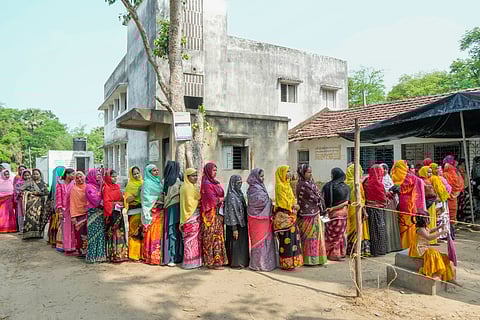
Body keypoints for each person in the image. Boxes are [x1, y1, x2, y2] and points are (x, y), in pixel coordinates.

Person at [408, 211, 455, 283]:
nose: (429, 220)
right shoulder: (420, 229)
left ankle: (449, 278)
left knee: (444, 256)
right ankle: (435, 274)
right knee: (433, 253)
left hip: (425, 248)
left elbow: (430, 231)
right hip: (419, 250)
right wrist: (441, 232)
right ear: (423, 220)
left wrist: (439, 227)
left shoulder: (425, 228)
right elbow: (429, 237)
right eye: (428, 219)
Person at [296, 164, 328, 265]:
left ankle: (317, 258)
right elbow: (315, 197)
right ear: (302, 173)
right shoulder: (302, 185)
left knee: (316, 237)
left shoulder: (310, 183)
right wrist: (319, 198)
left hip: (315, 213)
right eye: (308, 172)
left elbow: (318, 195)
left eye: (311, 172)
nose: (310, 174)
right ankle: (309, 260)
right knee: (309, 238)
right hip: (307, 215)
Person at [247, 168, 278, 272]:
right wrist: (269, 202)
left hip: (264, 219)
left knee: (267, 241)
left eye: (263, 176)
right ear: (255, 177)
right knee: (259, 241)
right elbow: (258, 202)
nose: (263, 178)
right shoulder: (253, 189)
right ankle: (258, 264)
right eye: (261, 176)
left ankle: (268, 263)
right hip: (257, 220)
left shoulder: (260, 187)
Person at [273, 165, 303, 270]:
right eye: (287, 171)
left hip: (291, 215)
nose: (289, 173)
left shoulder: (288, 185)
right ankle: (286, 263)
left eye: (289, 171)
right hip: (284, 217)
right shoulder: (280, 186)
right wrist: (293, 207)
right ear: (281, 173)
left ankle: (294, 262)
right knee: (286, 240)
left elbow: (292, 198)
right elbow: (282, 203)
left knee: (294, 239)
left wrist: (295, 206)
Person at [200, 162, 227, 269]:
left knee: (218, 237)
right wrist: (222, 199)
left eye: (216, 170)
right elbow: (212, 200)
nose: (215, 172)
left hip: (218, 214)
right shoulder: (206, 184)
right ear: (208, 171)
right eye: (213, 170)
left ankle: (218, 261)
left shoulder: (216, 183)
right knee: (210, 237)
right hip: (209, 215)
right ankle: (211, 262)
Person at [322, 168, 350, 261]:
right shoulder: (345, 187)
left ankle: (326, 252)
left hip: (328, 214)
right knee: (339, 235)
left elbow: (322, 200)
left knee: (328, 234)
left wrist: (327, 210)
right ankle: (335, 254)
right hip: (341, 215)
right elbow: (346, 202)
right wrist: (335, 208)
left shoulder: (326, 186)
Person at [344, 163, 370, 257]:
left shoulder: (346, 183)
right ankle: (359, 250)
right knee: (359, 229)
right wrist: (364, 212)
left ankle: (350, 250)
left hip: (349, 210)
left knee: (351, 229)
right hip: (358, 210)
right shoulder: (357, 184)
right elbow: (361, 200)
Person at [103, 169, 129, 263]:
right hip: (111, 215)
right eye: (112, 176)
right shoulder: (106, 188)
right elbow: (106, 203)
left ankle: (121, 254)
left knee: (120, 233)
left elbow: (122, 199)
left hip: (119, 213)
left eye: (115, 176)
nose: (114, 178)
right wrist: (115, 204)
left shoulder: (117, 187)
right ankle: (113, 254)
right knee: (113, 234)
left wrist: (122, 203)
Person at [141, 164, 164, 265]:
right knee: (151, 234)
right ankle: (150, 257)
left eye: (157, 170)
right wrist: (157, 199)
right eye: (154, 171)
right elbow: (146, 198)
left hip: (160, 211)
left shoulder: (158, 182)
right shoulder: (146, 183)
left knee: (158, 234)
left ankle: (158, 256)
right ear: (149, 173)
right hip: (152, 211)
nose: (156, 172)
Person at [224, 174, 249, 268]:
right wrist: (234, 228)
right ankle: (236, 263)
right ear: (233, 184)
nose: (240, 185)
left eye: (241, 183)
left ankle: (243, 261)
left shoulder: (240, 194)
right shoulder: (231, 196)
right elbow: (231, 213)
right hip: (234, 225)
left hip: (242, 223)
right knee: (235, 243)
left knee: (242, 244)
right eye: (238, 183)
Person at [180, 168, 202, 269]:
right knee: (191, 240)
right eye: (193, 176)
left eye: (196, 175)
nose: (195, 177)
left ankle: (193, 261)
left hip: (189, 216)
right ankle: (190, 262)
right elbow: (190, 203)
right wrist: (200, 202)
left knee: (191, 240)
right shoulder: (188, 187)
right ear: (187, 177)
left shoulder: (189, 186)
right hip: (191, 216)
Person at [392, 160, 417, 249]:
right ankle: (410, 243)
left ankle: (402, 243)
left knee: (401, 223)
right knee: (409, 222)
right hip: (410, 203)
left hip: (399, 203)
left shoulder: (393, 176)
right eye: (405, 165)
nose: (407, 167)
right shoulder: (411, 178)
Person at [162, 161, 183, 266]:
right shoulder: (178, 181)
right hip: (176, 208)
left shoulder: (164, 181)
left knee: (170, 232)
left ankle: (170, 257)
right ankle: (177, 256)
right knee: (176, 232)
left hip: (167, 208)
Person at [363, 165, 387, 256]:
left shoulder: (365, 181)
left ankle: (372, 250)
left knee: (371, 230)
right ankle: (379, 250)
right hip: (377, 210)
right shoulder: (378, 184)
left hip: (368, 209)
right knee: (379, 230)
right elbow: (383, 199)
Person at [86, 168, 106, 263]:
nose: (99, 176)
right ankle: (92, 256)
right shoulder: (89, 187)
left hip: (100, 213)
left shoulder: (99, 186)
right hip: (93, 213)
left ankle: (100, 256)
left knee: (100, 234)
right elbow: (96, 200)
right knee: (93, 235)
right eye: (96, 174)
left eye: (99, 174)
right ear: (92, 175)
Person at [21, 169, 49, 239]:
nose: (35, 175)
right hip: (30, 204)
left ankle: (38, 234)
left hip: (40, 204)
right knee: (30, 219)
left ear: (40, 175)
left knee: (39, 219)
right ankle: (28, 234)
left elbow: (47, 192)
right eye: (34, 174)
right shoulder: (29, 183)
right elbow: (22, 190)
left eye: (37, 174)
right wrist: (28, 193)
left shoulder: (43, 183)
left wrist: (36, 193)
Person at [123, 166, 143, 261]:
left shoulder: (143, 183)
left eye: (138, 173)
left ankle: (142, 254)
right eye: (134, 174)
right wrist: (136, 194)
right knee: (134, 233)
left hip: (143, 212)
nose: (136, 175)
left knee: (142, 233)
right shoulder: (130, 185)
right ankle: (133, 254)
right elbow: (127, 199)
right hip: (133, 212)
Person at [381, 163, 402, 253]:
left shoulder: (389, 179)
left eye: (386, 169)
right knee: (387, 224)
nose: (385, 170)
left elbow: (393, 191)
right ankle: (388, 246)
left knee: (391, 224)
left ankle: (393, 245)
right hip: (385, 204)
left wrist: (391, 192)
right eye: (383, 169)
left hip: (390, 203)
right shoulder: (379, 179)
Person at [56, 168, 75, 255]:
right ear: (67, 175)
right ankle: (66, 246)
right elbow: (58, 197)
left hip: (73, 208)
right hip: (64, 209)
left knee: (73, 228)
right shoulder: (60, 184)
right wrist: (60, 210)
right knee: (65, 228)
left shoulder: (74, 183)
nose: (73, 176)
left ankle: (73, 246)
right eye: (72, 174)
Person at [418, 166, 438, 245]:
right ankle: (429, 239)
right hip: (427, 202)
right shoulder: (422, 181)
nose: (430, 174)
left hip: (431, 202)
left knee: (432, 219)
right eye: (428, 172)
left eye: (430, 172)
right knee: (428, 220)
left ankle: (433, 239)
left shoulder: (429, 180)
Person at [70, 171, 88, 256]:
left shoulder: (88, 187)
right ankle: (82, 252)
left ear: (84, 177)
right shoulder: (74, 189)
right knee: (80, 234)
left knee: (88, 233)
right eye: (77, 178)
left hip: (88, 213)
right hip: (78, 215)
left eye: (81, 177)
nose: (80, 179)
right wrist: (73, 216)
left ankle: (88, 251)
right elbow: (72, 203)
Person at [47, 166, 65, 247]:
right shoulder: (60, 182)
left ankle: (54, 240)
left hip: (57, 206)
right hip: (59, 206)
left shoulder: (57, 182)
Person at [443, 156, 463, 224]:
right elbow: (461, 183)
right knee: (453, 210)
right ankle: (453, 225)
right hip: (456, 195)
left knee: (447, 211)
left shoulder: (444, 174)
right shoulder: (457, 172)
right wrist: (458, 191)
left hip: (447, 196)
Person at [0, 168, 16, 233]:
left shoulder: (11, 180)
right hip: (1, 200)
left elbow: (14, 189)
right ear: (2, 175)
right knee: (2, 213)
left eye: (8, 174)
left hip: (10, 199)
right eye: (5, 174)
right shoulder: (0, 181)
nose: (7, 176)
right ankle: (2, 227)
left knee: (10, 213)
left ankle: (11, 228)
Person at [13, 165, 27, 232]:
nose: (21, 171)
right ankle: (21, 228)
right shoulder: (17, 179)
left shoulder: (31, 181)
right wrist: (20, 194)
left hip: (29, 200)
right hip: (20, 199)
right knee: (20, 214)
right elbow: (15, 188)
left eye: (23, 169)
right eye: (20, 170)